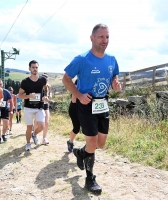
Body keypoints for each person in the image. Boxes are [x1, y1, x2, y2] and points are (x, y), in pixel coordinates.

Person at [62, 23, 122, 194]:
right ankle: (90, 179)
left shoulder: (112, 59)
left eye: (107, 37)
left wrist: (115, 83)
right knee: (93, 141)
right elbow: (66, 79)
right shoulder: (82, 59)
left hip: (102, 103)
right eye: (101, 37)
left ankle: (81, 153)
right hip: (86, 104)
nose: (105, 40)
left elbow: (114, 76)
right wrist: (79, 95)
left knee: (100, 144)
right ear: (92, 38)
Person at [17, 60, 48, 151]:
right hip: (28, 108)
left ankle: (34, 135)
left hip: (39, 107)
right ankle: (28, 143)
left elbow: (45, 89)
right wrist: (28, 96)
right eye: (33, 67)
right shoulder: (25, 81)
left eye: (36, 67)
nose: (35, 69)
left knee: (42, 126)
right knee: (29, 127)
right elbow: (19, 95)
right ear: (29, 68)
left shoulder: (43, 80)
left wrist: (46, 96)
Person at [0, 79, 13, 144]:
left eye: (0, 84)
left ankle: (3, 134)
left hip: (5, 109)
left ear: (2, 85)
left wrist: (11, 110)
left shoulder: (6, 92)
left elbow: (11, 101)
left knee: (6, 124)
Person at [66, 79, 80, 152]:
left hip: (85, 108)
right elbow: (74, 100)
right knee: (76, 128)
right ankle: (70, 142)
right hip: (75, 108)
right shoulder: (78, 81)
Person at [41, 73, 51, 145]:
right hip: (38, 105)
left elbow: (50, 95)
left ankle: (44, 138)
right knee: (38, 123)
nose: (45, 79)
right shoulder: (38, 85)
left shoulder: (49, 86)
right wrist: (42, 98)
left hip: (45, 105)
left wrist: (48, 98)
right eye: (44, 77)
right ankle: (34, 134)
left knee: (46, 122)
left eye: (46, 77)